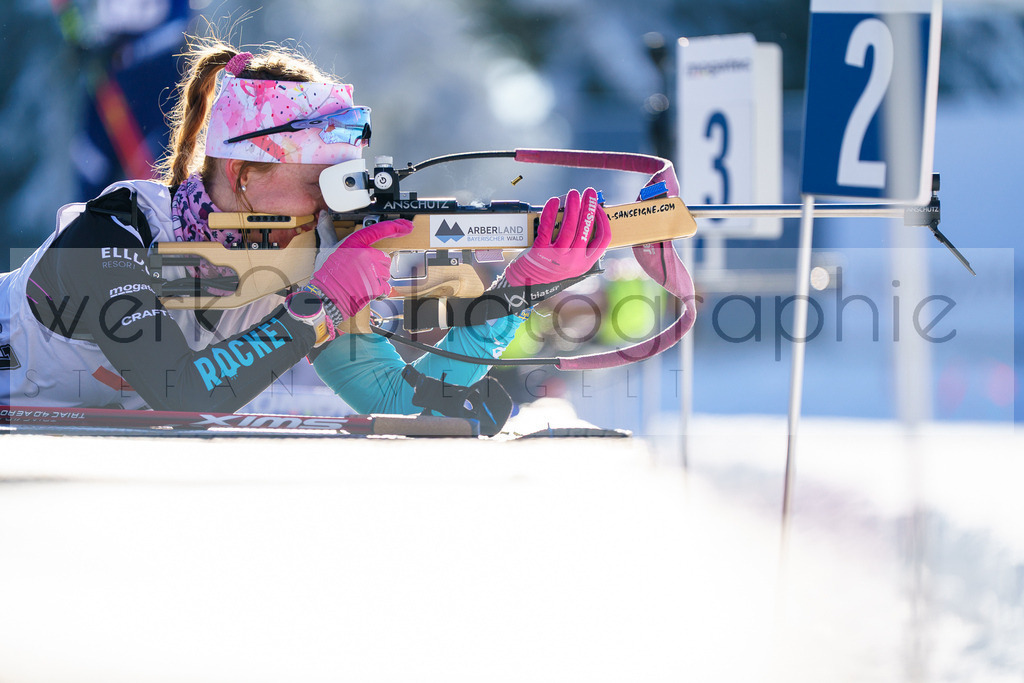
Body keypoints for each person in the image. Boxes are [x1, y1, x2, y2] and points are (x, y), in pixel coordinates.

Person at [0, 37, 610, 416]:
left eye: (344, 184)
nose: (333, 209)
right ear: (244, 175)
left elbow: (407, 402)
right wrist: (321, 306)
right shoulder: (115, 233)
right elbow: (180, 390)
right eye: (318, 182)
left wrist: (523, 287)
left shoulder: (306, 258)